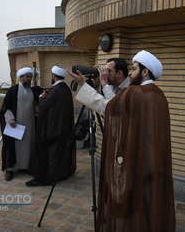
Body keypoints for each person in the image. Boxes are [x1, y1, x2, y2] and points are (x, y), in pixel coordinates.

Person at [69, 50, 176, 231]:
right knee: (146, 196)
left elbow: (111, 108)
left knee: (131, 195)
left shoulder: (136, 92)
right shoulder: (158, 95)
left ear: (145, 71)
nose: (130, 73)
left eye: (133, 69)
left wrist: (100, 84)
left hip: (134, 154)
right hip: (149, 155)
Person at [25, 66, 76, 187]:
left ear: (54, 76)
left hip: (53, 131)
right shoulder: (65, 89)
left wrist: (41, 97)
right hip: (62, 129)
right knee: (59, 154)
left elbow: (45, 106)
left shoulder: (57, 89)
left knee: (49, 155)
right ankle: (61, 174)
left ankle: (44, 178)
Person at [0, 67, 39, 181]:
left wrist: (37, 111)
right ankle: (10, 170)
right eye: (27, 77)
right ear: (21, 77)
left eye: (30, 77)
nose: (29, 79)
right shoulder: (13, 90)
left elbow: (36, 104)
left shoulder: (32, 91)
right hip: (15, 126)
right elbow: (5, 107)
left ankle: (25, 167)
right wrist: (10, 118)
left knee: (27, 146)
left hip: (29, 125)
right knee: (12, 146)